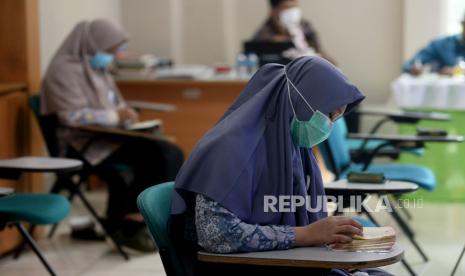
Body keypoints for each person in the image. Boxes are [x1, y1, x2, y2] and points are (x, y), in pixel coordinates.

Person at [170, 56, 391, 275]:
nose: (328, 125)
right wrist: (306, 234)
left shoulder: (290, 145)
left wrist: (330, 242)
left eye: (335, 119)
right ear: (301, 100)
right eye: (328, 115)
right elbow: (216, 235)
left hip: (286, 261)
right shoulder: (229, 149)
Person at [40, 19, 184, 252]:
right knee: (160, 154)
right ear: (93, 43)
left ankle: (136, 218)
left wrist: (127, 115)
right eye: (109, 50)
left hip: (109, 136)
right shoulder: (63, 71)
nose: (111, 55)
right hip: (82, 143)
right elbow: (71, 117)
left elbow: (115, 105)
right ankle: (134, 219)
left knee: (168, 150)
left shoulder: (97, 68)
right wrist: (115, 117)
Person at [252, 0, 334, 63]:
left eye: (295, 6)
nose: (293, 12)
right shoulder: (264, 34)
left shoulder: (306, 27)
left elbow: (320, 51)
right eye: (287, 7)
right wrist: (276, 42)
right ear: (274, 11)